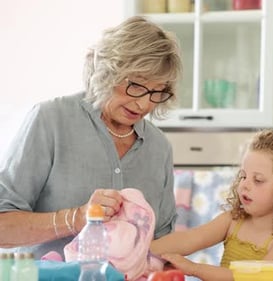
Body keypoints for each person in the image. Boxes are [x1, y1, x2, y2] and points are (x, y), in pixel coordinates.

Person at [0, 16, 181, 259]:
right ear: (107, 71)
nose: (144, 103)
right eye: (136, 86)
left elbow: (162, 243)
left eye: (157, 92)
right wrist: (77, 218)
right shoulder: (51, 120)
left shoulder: (159, 147)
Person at [150, 129, 273, 281]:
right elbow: (189, 239)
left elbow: (247, 279)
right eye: (244, 176)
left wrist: (194, 268)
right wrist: (141, 249)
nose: (245, 184)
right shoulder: (233, 220)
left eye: (258, 180)